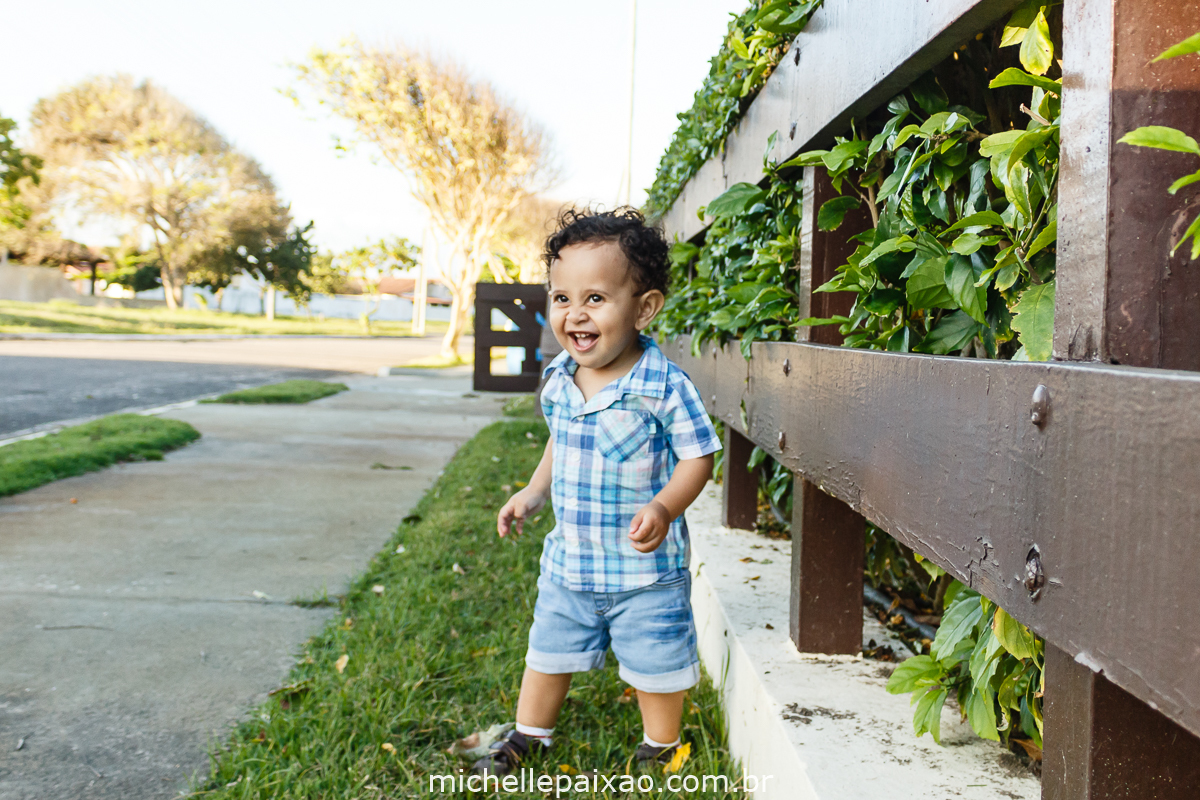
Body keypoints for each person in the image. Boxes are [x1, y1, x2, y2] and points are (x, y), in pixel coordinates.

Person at [475, 207, 721, 776]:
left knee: (656, 660)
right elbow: (561, 442)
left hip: (645, 571)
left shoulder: (662, 385)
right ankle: (531, 733)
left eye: (595, 299)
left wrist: (665, 506)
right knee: (547, 651)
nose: (574, 314)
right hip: (571, 563)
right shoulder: (561, 378)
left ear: (645, 307)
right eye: (562, 299)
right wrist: (534, 491)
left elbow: (699, 455)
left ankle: (660, 743)